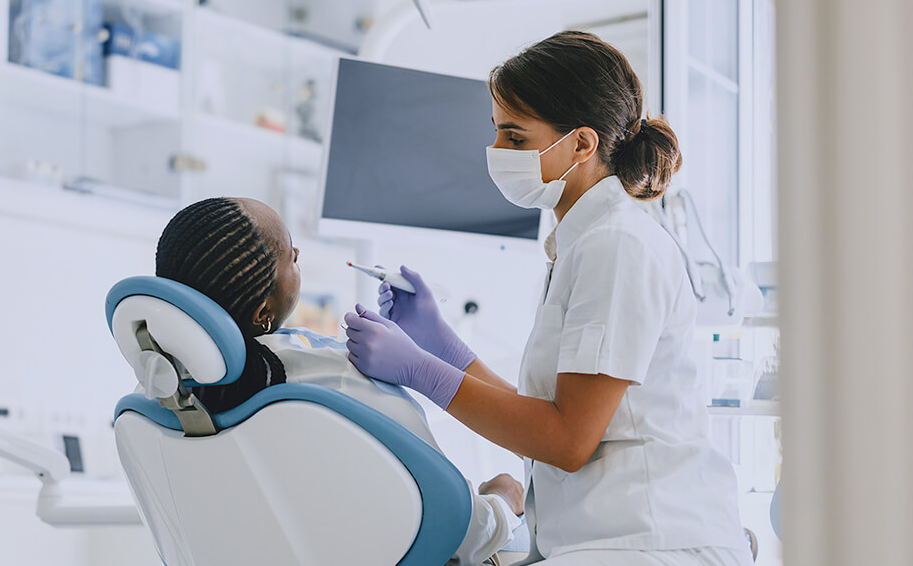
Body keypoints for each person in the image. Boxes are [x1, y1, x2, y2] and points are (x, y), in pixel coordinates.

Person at [343, 30, 753, 566]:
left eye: (515, 138)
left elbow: (565, 440)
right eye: (496, 132)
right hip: (604, 539)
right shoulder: (582, 242)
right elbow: (545, 417)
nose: (496, 152)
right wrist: (441, 345)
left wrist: (420, 370)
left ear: (582, 144)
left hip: (650, 541)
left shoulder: (617, 246)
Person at [154, 196, 524, 566]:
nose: (298, 252)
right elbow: (460, 531)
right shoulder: (338, 380)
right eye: (291, 256)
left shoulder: (161, 395)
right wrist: (503, 500)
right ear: (263, 311)